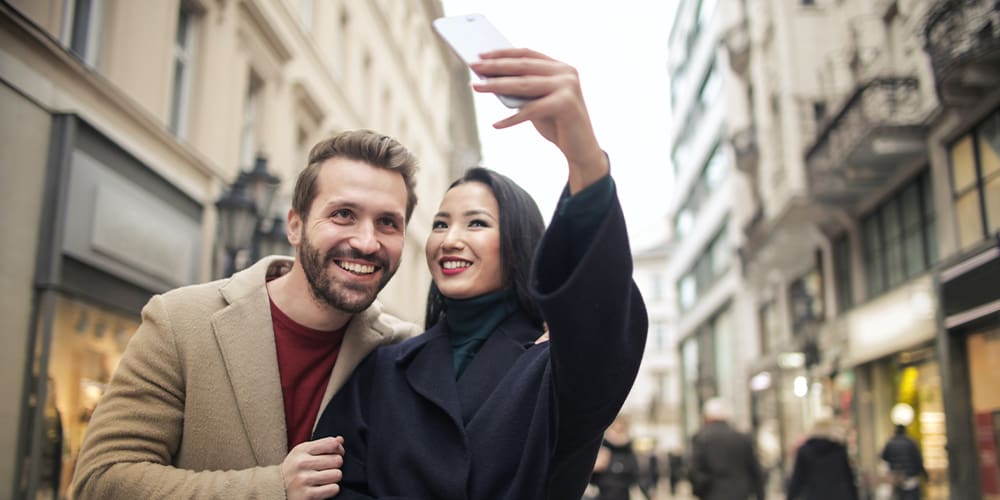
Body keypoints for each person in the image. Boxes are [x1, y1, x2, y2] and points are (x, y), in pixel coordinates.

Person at [311, 47, 648, 499]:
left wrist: (583, 159)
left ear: (518, 243)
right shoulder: (384, 368)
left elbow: (602, 314)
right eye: (440, 223)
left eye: (476, 223)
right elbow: (333, 486)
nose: (450, 239)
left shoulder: (555, 365)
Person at [70, 130, 423, 499]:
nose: (367, 242)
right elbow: (101, 481)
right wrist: (271, 489)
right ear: (295, 226)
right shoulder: (179, 322)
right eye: (343, 214)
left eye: (387, 223)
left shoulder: (405, 351)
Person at [688, 397, 766, 500]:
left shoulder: (701, 438)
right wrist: (760, 495)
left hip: (712, 494)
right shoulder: (741, 438)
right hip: (740, 494)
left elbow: (695, 470)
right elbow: (755, 469)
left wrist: (700, 491)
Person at [786, 417, 859, 500]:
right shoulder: (838, 449)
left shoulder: (804, 451)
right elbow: (848, 476)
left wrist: (790, 496)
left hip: (813, 496)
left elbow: (797, 478)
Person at [592, 415, 643, 500]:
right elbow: (591, 480)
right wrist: (595, 467)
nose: (617, 435)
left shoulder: (629, 451)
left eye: (621, 429)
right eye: (615, 429)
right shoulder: (602, 449)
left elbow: (636, 477)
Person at [881, 424, 927, 500]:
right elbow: (918, 460)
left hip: (897, 477)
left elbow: (884, 457)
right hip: (911, 476)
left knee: (899, 496)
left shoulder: (890, 443)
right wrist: (924, 474)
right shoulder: (911, 443)